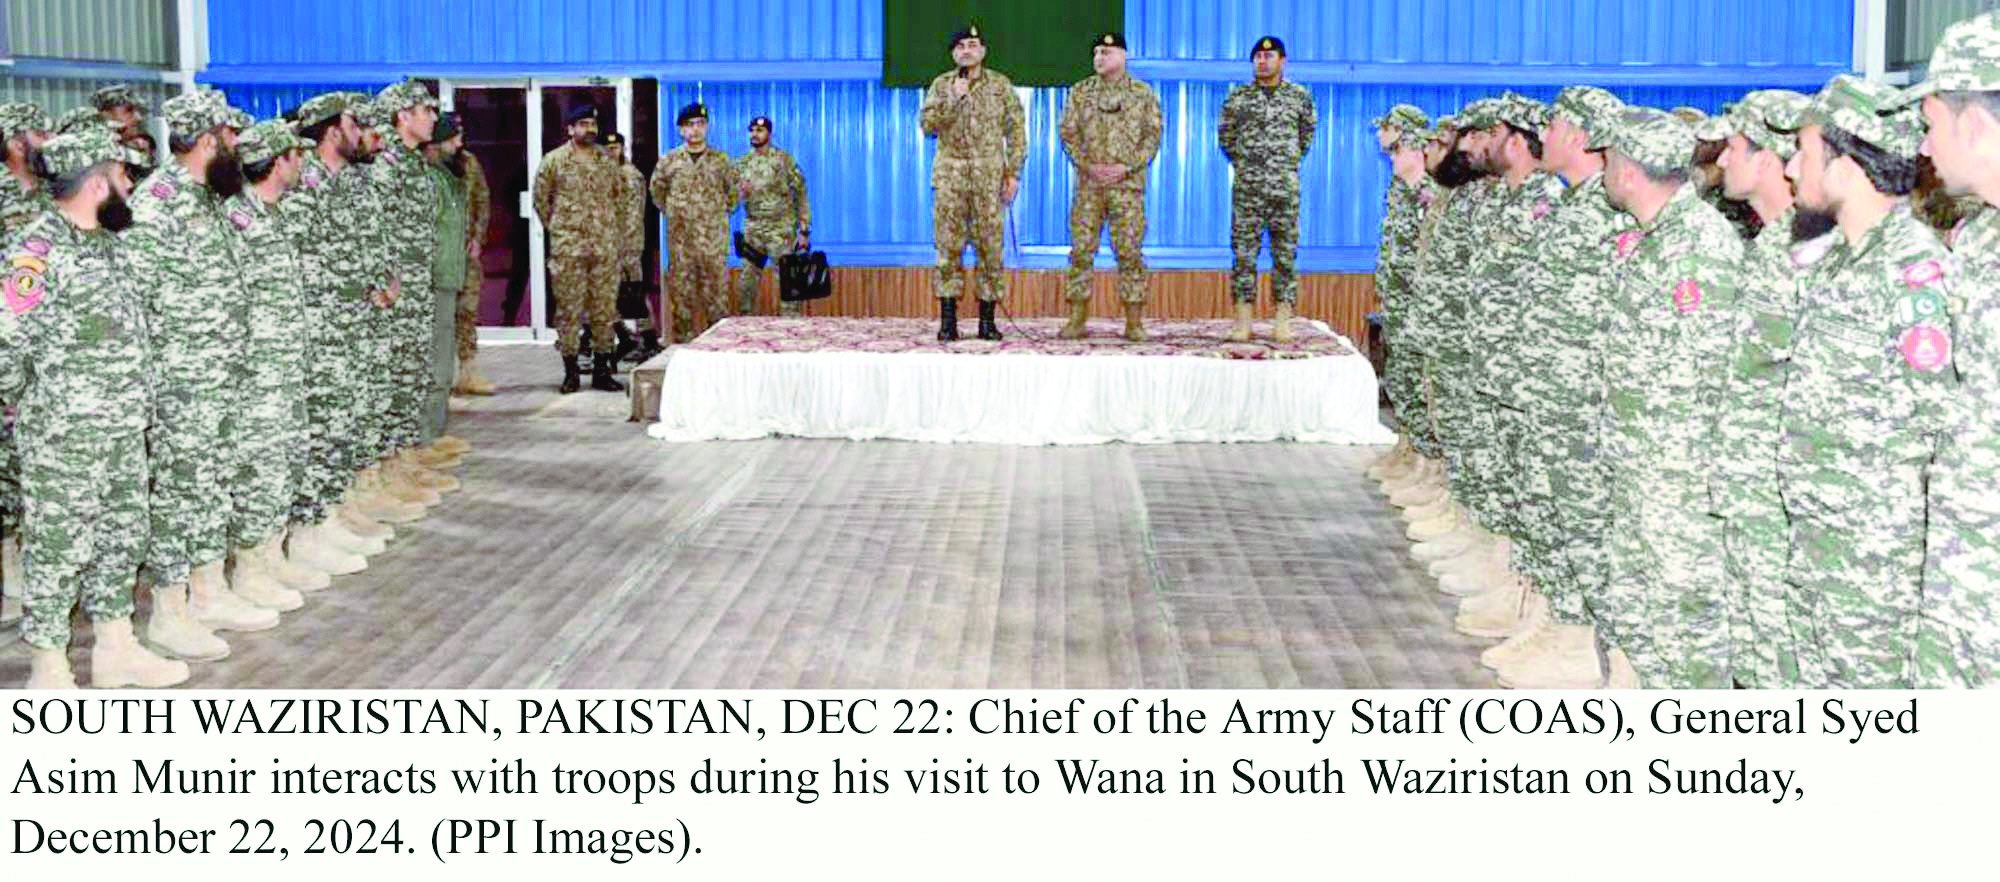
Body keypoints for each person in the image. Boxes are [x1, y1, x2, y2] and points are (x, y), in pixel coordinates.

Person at [1778, 76, 1953, 688]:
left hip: (1876, 563)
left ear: (1847, 166)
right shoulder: (1838, 261)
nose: (1791, 166)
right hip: (1820, 539)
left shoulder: (1912, 270)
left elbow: (1937, 430)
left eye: (1803, 151)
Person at [3, 125, 189, 687]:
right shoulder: (37, 251)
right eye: (121, 176)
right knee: (58, 547)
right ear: (96, 183)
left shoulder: (112, 245)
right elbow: (7, 342)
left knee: (121, 537)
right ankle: (49, 667)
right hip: (66, 435)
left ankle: (115, 648)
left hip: (123, 427)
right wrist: (34, 412)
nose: (130, 186)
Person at [126, 90, 295, 646]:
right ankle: (170, 611)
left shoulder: (210, 198)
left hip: (223, 375)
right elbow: (135, 301)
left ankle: (207, 589)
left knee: (211, 484)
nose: (236, 148)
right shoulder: (156, 205)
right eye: (228, 137)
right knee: (181, 492)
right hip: (182, 382)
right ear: (205, 141)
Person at [1479, 86, 1630, 688]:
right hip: (1544, 392)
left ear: (1586, 136)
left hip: (1576, 403)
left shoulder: (1606, 213)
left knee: (1575, 521)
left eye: (1560, 124)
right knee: (1545, 511)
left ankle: (1574, 644)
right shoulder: (1574, 206)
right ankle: (1550, 619)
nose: (1551, 133)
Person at [1596, 106, 1743, 688]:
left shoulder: (1700, 244)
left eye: (1608, 160)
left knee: (1686, 613)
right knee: (1641, 604)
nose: (1602, 171)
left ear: (1629, 170)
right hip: (1641, 458)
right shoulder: (1656, 239)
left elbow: (1713, 370)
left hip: (1677, 468)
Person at [1704, 90, 1817, 688]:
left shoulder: (1809, 254)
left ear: (1770, 158)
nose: (1722, 160)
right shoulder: (1771, 244)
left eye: (1735, 148)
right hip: (1747, 482)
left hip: (1780, 491)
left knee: (1780, 642)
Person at [282, 91, 413, 577]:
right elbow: (298, 261)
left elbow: (373, 239)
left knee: (347, 421)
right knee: (322, 428)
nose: (363, 132)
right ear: (333, 130)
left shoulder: (353, 181)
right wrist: (360, 287)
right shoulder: (304, 185)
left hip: (358, 323)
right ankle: (308, 531)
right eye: (355, 124)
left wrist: (385, 282)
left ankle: (332, 514)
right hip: (322, 328)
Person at [1907, 9, 2000, 687]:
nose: (1923, 148)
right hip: (1967, 584)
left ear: (1972, 121)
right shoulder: (1981, 242)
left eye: (1931, 124)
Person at [225, 120, 337, 632]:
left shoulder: (275, 215)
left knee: (285, 463)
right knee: (260, 468)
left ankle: (271, 555)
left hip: (287, 365)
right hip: (256, 373)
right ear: (277, 161)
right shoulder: (236, 219)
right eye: (296, 156)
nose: (303, 165)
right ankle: (250, 567)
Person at [370, 80, 467, 488]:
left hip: (418, 287)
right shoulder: (385, 165)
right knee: (394, 377)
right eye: (426, 111)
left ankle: (407, 455)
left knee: (414, 373)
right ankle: (388, 467)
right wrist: (383, 281)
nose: (433, 119)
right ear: (403, 116)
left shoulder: (413, 164)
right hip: (396, 294)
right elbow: (371, 228)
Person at [920, 24, 1026, 341]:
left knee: (990, 249)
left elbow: (1017, 132)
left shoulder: (1000, 86)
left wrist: (1014, 173)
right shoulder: (942, 84)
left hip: (988, 182)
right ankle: (948, 321)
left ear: (983, 51)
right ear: (954, 53)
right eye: (961, 45)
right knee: (948, 250)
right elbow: (928, 125)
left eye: (973, 44)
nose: (967, 50)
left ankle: (987, 322)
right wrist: (953, 98)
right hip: (951, 180)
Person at [1058, 31, 1162, 341]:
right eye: (1096, 53)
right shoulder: (1080, 92)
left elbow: (1152, 137)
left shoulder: (1142, 94)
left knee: (1130, 252)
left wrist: (1126, 168)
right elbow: (1068, 133)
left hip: (1127, 187)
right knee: (1080, 251)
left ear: (1123, 56)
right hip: (1089, 186)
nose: (1099, 58)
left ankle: (1133, 321)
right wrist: (1088, 166)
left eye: (1107, 52)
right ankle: (1077, 319)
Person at [1218, 35, 1316, 343]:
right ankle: (1243, 322)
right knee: (1244, 256)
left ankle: (1282, 322)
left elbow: (1306, 135)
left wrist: (1282, 164)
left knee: (1285, 256)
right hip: (1248, 189)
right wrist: (1250, 165)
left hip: (1284, 191)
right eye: (1258, 56)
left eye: (1269, 56)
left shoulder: (1299, 97)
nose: (1262, 60)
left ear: (1282, 61)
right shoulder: (1238, 98)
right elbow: (1226, 137)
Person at [0, 102, 52, 629]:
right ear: (17, 142)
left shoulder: (48, 198)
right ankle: (11, 559)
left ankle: (22, 554)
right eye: (40, 132)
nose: (48, 139)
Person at [534, 104, 629, 392]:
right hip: (569, 251)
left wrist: (611, 232)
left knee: (604, 310)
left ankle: (602, 370)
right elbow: (541, 200)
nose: (589, 129)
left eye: (593, 124)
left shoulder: (607, 160)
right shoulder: (554, 161)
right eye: (583, 124)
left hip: (603, 249)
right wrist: (562, 230)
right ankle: (571, 372)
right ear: (570, 128)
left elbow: (620, 198)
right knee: (569, 311)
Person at [1366, 103, 1432, 480]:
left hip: (1419, 303)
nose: (1381, 141)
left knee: (1417, 379)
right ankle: (1407, 448)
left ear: (1409, 140)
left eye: (1391, 142)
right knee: (1401, 376)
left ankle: (1424, 464)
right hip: (1398, 297)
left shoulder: (1428, 191)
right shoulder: (1400, 188)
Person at [651, 102, 739, 344]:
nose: (696, 130)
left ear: (707, 127)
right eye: (690, 125)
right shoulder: (669, 161)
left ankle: (717, 354)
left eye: (700, 124)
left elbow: (733, 197)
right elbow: (658, 194)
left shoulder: (722, 161)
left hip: (713, 247)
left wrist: (712, 218)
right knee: (682, 305)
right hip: (681, 248)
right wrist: (678, 214)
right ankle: (684, 358)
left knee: (718, 304)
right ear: (681, 130)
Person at [734, 115, 813, 318]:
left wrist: (804, 230)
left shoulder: (784, 160)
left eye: (759, 130)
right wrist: (739, 194)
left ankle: (791, 324)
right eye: (752, 130)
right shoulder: (741, 164)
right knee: (747, 280)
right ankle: (745, 324)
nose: (755, 134)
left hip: (781, 229)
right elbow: (730, 199)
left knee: (788, 280)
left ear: (769, 133)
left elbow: (801, 194)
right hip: (753, 229)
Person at [423, 111, 470, 428]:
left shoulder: (449, 180)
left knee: (443, 364)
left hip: (447, 280)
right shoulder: (429, 182)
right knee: (436, 367)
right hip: (432, 283)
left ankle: (434, 435)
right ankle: (427, 439)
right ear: (436, 144)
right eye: (453, 139)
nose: (459, 145)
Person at [602, 131, 661, 360]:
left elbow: (634, 218)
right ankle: (625, 338)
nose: (611, 152)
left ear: (622, 149)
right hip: (607, 247)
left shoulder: (630, 176)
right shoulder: (602, 175)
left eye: (615, 147)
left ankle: (649, 339)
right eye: (607, 148)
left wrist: (627, 250)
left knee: (635, 295)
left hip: (627, 248)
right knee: (605, 295)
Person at [454, 118, 495, 396]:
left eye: (461, 132)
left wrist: (478, 238)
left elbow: (482, 199)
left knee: (467, 311)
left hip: (466, 254)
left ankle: (467, 372)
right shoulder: (427, 163)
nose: (459, 138)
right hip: (438, 254)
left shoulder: (469, 162)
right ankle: (442, 376)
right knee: (441, 316)